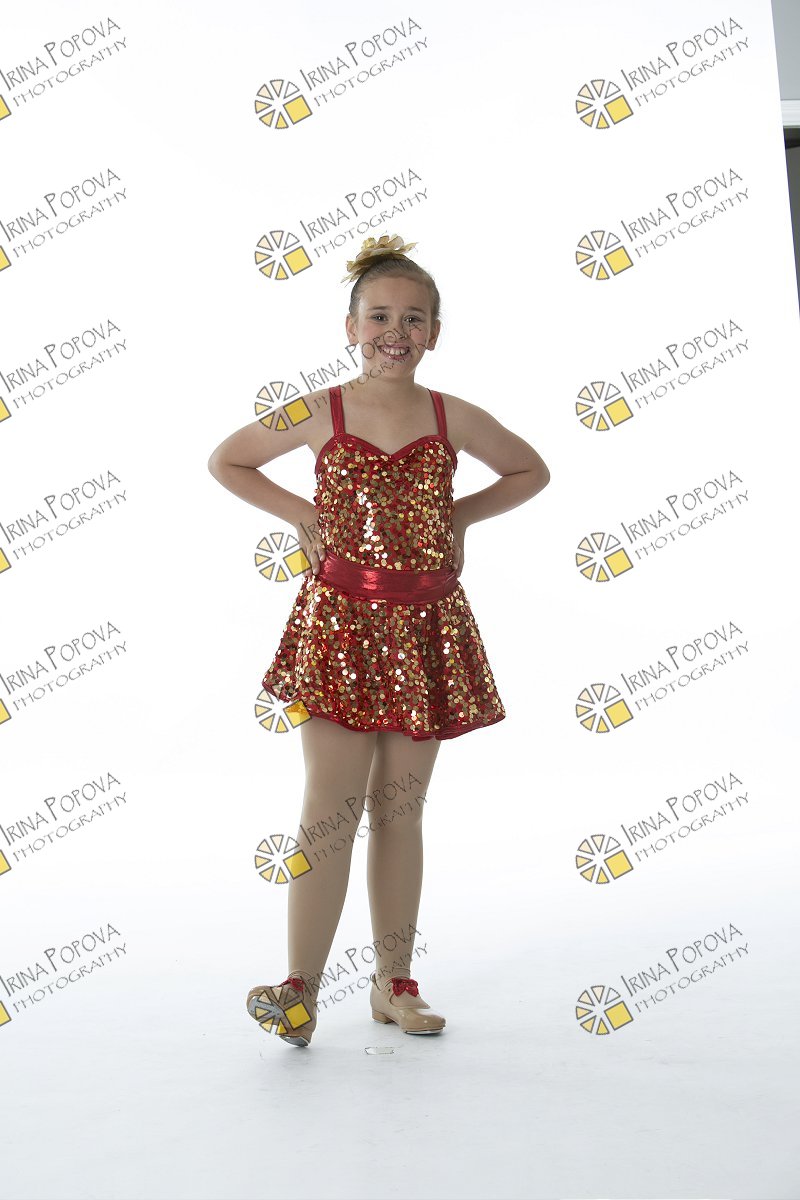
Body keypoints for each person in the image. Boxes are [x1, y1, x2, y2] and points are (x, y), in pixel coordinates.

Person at [207, 233, 551, 1047]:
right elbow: (229, 460)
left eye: (414, 319)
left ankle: (393, 982)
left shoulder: (451, 415)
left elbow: (530, 470)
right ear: (351, 327)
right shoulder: (318, 409)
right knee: (329, 808)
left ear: (436, 332)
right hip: (341, 628)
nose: (396, 332)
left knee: (401, 809)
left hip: (425, 626)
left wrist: (459, 516)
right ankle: (299, 989)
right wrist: (301, 513)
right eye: (380, 316)